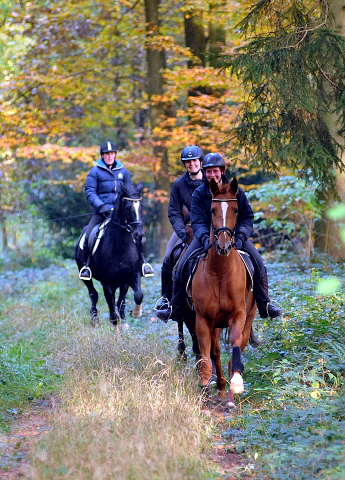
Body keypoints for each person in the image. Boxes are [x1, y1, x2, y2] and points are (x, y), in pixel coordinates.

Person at [159, 152, 283, 320]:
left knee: (259, 264)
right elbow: (197, 220)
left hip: (235, 237)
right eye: (208, 172)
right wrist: (204, 238)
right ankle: (174, 306)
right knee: (180, 267)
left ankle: (265, 304)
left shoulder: (236, 191)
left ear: (222, 171)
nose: (212, 175)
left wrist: (240, 238)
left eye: (215, 171)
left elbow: (247, 217)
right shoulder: (199, 194)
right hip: (207, 239)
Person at [79, 141, 154, 280]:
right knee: (89, 235)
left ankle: (143, 262)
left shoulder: (123, 171)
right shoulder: (95, 171)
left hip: (121, 214)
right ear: (102, 155)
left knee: (139, 236)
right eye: (107, 154)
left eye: (112, 153)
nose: (110, 156)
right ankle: (87, 266)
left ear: (115, 155)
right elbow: (90, 192)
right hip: (102, 212)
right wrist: (101, 206)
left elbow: (130, 191)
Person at [154, 145, 204, 321]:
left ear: (200, 162)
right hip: (187, 227)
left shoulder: (212, 179)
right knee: (168, 257)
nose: (191, 164)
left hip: (211, 228)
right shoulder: (178, 185)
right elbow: (174, 212)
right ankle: (165, 301)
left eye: (194, 161)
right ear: (185, 165)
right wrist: (181, 232)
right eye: (188, 162)